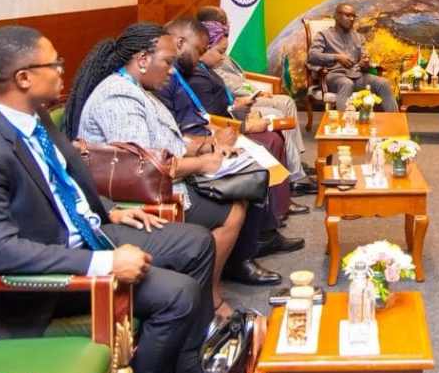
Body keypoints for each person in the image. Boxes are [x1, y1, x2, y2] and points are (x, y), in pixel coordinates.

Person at [0, 26, 215, 373]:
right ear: (24, 78)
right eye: (54, 64)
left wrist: (109, 211)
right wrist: (105, 264)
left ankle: (182, 371)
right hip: (41, 282)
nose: (62, 71)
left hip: (85, 232)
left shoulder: (33, 117)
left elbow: (64, 182)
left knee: (197, 243)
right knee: (179, 294)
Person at [64, 22, 283, 313]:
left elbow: (167, 141)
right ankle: (209, 299)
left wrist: (206, 147)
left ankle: (210, 285)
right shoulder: (118, 98)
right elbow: (143, 168)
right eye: (167, 62)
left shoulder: (137, 89)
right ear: (143, 59)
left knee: (242, 189)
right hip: (137, 197)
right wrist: (201, 163)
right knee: (232, 210)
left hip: (160, 182)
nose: (171, 71)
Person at [154, 17, 305, 259]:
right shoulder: (166, 80)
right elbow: (173, 136)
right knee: (255, 158)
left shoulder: (176, 75)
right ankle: (254, 246)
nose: (200, 57)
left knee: (260, 149)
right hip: (194, 152)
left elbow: (199, 116)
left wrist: (221, 132)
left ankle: (266, 230)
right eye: (200, 50)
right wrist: (215, 141)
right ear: (181, 42)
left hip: (208, 137)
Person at [195, 11, 316, 200]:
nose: (227, 24)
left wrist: (247, 95)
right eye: (223, 21)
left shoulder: (213, 54)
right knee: (277, 113)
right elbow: (223, 94)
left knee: (285, 103)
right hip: (233, 113)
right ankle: (295, 175)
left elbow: (235, 81)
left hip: (236, 104)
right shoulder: (203, 66)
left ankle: (295, 163)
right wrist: (245, 106)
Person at [306, 2, 398, 113]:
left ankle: (395, 121)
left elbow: (365, 60)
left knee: (383, 83)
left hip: (358, 76)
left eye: (354, 16)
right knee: (346, 83)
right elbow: (312, 56)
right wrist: (336, 57)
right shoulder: (324, 35)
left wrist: (365, 62)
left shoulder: (358, 37)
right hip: (335, 77)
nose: (351, 19)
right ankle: (345, 122)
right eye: (348, 15)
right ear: (337, 16)